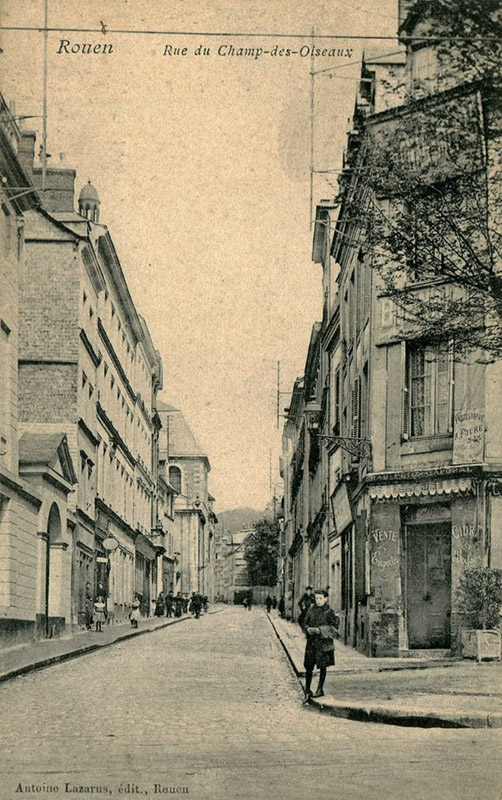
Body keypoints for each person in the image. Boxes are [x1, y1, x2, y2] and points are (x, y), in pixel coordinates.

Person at [301, 588, 339, 703]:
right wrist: (307, 629)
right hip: (311, 643)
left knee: (323, 666)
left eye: (320, 598)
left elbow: (334, 628)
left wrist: (319, 630)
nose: (318, 601)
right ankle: (307, 691)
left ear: (326, 599)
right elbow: (304, 622)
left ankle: (320, 688)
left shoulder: (329, 612)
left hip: (323, 643)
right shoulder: (311, 610)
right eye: (316, 598)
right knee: (308, 667)